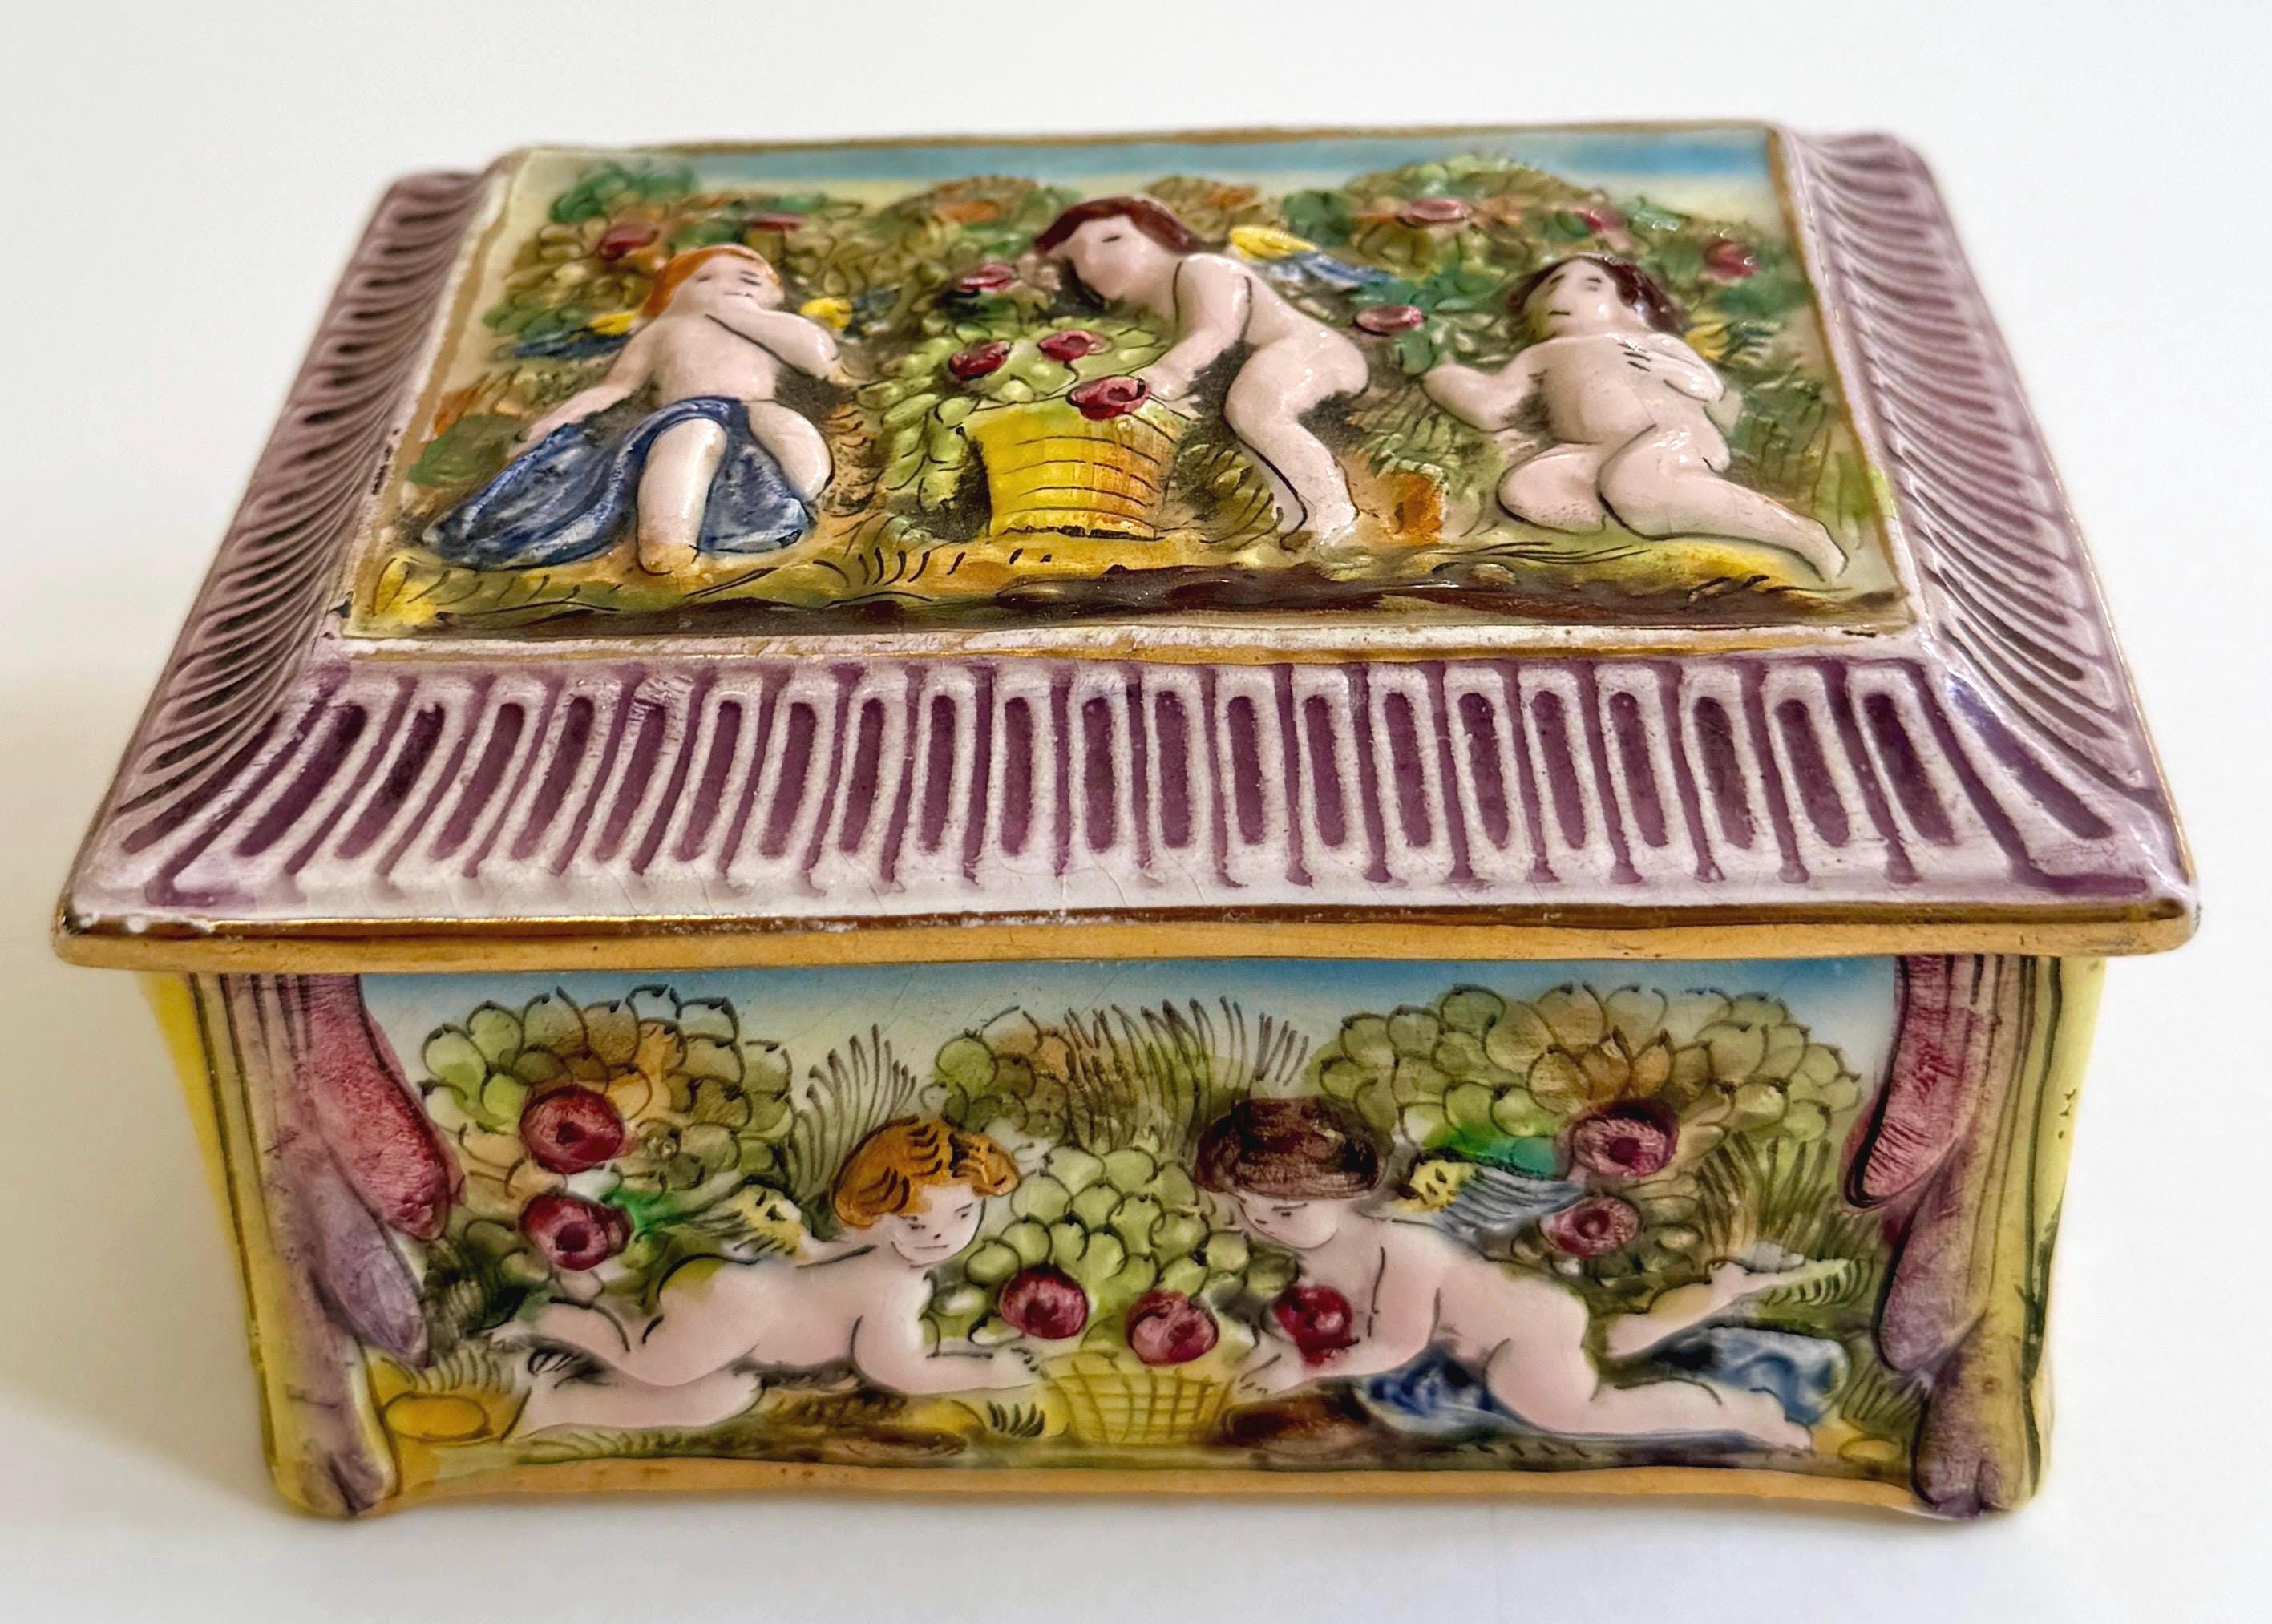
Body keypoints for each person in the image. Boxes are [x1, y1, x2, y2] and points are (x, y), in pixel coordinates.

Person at [1198, 1097, 1818, 1449]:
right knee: (1610, 1342)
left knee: (1580, 1412)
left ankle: (1741, 1412)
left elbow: (1396, 1345)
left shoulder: (1402, 1248)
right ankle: (1716, 1294)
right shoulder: (1319, 1248)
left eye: (1285, 1210)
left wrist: (1307, 1368)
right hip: (1535, 1306)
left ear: (1346, 1193)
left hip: (1518, 1337)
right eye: (1248, 1209)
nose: (1264, 1224)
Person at [508, 1117, 1034, 1435]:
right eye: (915, 1223)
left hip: (741, 1309)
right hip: (739, 1309)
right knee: (652, 1364)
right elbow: (895, 1368)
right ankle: (545, 1317)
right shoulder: (892, 1287)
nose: (941, 1237)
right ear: (872, 1213)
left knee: (718, 1399)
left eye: (964, 1214)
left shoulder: (884, 1266)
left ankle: (559, 1405)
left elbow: (817, 1260)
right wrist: (989, 1373)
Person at [426, 244, 847, 576]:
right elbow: (617, 387)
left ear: (774, 296)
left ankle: (800, 506)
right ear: (672, 296)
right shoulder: (666, 330)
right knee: (694, 440)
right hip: (686, 413)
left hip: (756, 407)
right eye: (704, 279)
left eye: (749, 279)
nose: (728, 286)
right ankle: (667, 541)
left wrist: (739, 314)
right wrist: (556, 419)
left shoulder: (776, 329)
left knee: (791, 431)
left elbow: (819, 359)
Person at [1421, 254, 1845, 577]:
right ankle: (1629, 535)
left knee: (1637, 485)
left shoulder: (1649, 343)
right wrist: (1445, 378)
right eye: (1551, 286)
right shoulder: (1540, 355)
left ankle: (1800, 535)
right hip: (1592, 451)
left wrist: (1679, 373)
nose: (1561, 297)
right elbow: (1494, 409)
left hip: (1670, 437)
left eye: (1592, 285)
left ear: (1630, 305)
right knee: (1528, 487)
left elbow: (1709, 388)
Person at [1033, 196, 1369, 542]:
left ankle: (1330, 513)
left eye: (1112, 239)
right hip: (1263, 363)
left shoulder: (1204, 268)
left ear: (1162, 236)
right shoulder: (1142, 312)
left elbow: (1214, 334)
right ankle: (1284, 514)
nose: (1093, 260)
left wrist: (1156, 379)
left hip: (1316, 352)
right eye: (1077, 256)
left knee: (1255, 408)